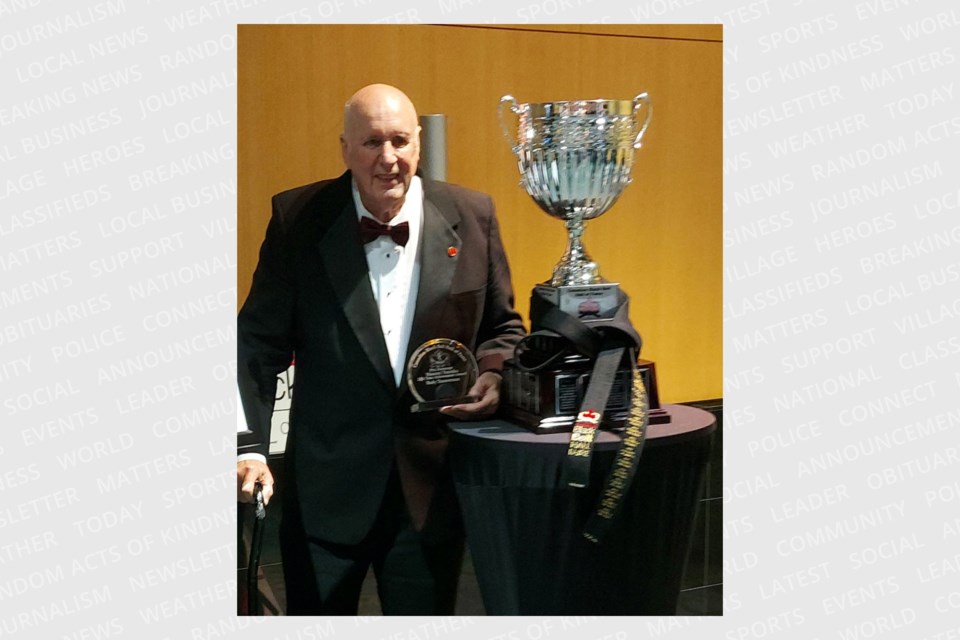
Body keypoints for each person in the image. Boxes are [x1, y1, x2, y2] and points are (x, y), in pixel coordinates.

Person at [236, 84, 525, 615]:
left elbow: (503, 328)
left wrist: (494, 372)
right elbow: (255, 340)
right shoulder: (298, 219)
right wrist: (246, 444)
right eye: (371, 143)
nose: (388, 159)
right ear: (344, 148)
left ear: (418, 143)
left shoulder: (473, 213)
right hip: (326, 490)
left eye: (399, 141)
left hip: (431, 489)